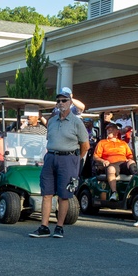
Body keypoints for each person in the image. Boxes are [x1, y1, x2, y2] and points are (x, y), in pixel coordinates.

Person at [29, 88, 89, 238]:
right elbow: (50, 140)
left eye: (64, 100)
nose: (61, 103)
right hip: (51, 157)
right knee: (47, 193)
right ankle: (44, 226)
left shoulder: (77, 122)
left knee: (64, 194)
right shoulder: (52, 121)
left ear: (70, 102)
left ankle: (59, 227)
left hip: (68, 159)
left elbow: (85, 146)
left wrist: (76, 160)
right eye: (58, 101)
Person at [92, 123, 136, 201]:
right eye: (108, 130)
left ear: (117, 131)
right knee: (111, 169)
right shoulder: (102, 142)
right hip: (110, 163)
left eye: (112, 130)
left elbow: (129, 155)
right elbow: (95, 156)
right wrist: (103, 161)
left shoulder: (123, 143)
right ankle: (114, 193)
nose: (109, 132)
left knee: (132, 163)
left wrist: (130, 160)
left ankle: (136, 189)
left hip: (123, 163)